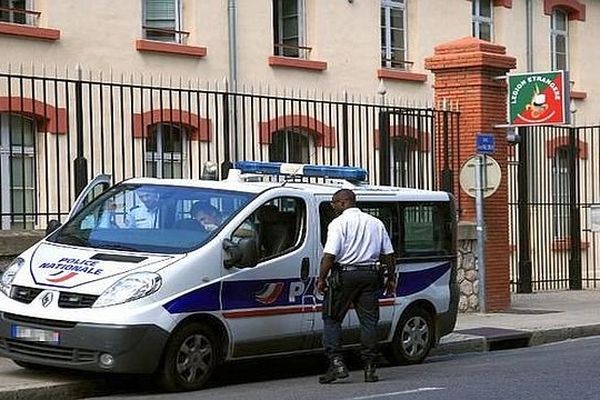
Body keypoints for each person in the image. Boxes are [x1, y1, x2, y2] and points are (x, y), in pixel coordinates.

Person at [317, 189, 396, 384]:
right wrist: (391, 277)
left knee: (332, 318)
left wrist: (321, 278)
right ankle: (370, 368)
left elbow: (329, 255)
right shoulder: (376, 223)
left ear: (343, 203)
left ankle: (337, 363)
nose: (333, 207)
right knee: (369, 322)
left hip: (345, 275)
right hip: (371, 275)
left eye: (334, 203)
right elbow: (388, 254)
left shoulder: (338, 223)